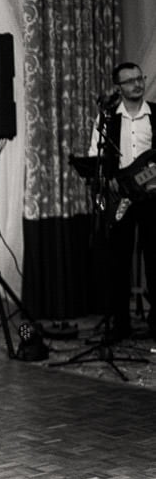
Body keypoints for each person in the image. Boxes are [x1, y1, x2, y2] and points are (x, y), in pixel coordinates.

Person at [88, 61, 156, 341]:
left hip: (152, 198)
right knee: (118, 262)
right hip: (120, 199)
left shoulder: (155, 115)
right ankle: (120, 325)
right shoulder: (106, 120)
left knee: (155, 260)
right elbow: (95, 154)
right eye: (130, 81)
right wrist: (109, 177)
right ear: (118, 87)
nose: (137, 84)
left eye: (140, 79)